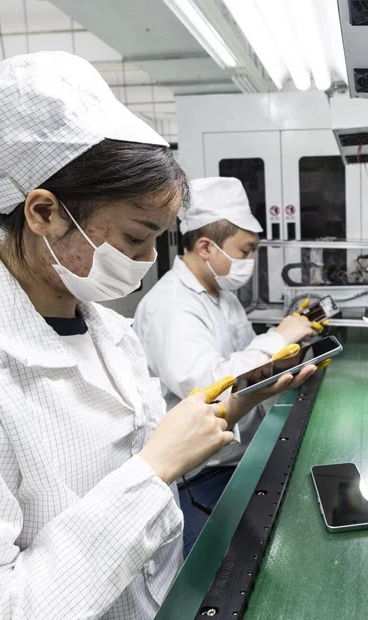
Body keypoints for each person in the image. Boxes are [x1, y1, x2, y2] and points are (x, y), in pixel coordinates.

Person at [0, 52, 314, 619]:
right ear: (44, 212)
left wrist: (230, 406)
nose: (147, 261)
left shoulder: (105, 332)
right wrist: (152, 471)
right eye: (134, 238)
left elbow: (147, 461)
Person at [134, 177, 317, 555]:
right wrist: (279, 337)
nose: (249, 261)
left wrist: (293, 348)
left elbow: (247, 359)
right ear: (206, 247)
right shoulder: (171, 306)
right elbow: (208, 387)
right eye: (245, 251)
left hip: (238, 454)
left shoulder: (221, 294)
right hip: (200, 476)